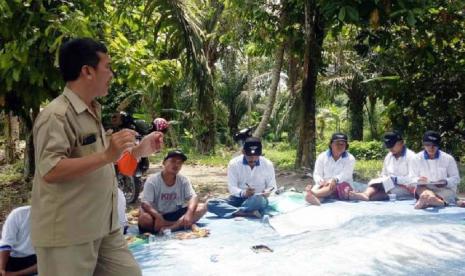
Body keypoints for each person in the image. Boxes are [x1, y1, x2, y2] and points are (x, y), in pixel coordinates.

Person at [31, 38, 163, 276]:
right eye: (107, 66)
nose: (111, 74)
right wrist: (106, 155)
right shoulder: (56, 116)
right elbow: (50, 170)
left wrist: (139, 151)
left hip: (104, 227)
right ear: (87, 71)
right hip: (68, 235)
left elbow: (106, 163)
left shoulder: (92, 110)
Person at [138, 150, 207, 233]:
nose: (176, 165)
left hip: (175, 214)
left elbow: (193, 197)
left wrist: (189, 213)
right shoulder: (152, 180)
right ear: (164, 163)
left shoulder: (183, 180)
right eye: (173, 161)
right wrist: (158, 217)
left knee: (202, 207)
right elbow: (145, 203)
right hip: (156, 214)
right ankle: (182, 224)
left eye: (179, 162)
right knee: (144, 219)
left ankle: (172, 227)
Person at [207, 137, 277, 218]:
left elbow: (273, 187)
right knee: (211, 203)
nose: (253, 158)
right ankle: (246, 213)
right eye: (250, 155)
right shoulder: (234, 164)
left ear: (260, 153)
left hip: (257, 199)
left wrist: (267, 191)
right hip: (238, 198)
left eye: (256, 155)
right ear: (243, 152)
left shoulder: (268, 164)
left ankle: (234, 211)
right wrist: (244, 193)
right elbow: (232, 187)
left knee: (259, 200)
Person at [349, 131, 416, 201]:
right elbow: (384, 174)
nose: (390, 149)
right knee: (377, 183)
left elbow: (414, 179)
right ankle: (365, 194)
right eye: (388, 146)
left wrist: (395, 179)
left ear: (401, 143)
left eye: (392, 145)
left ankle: (367, 197)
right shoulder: (389, 156)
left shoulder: (412, 157)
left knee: (377, 196)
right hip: (389, 184)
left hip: (406, 188)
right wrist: (384, 179)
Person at [410, 131, 460, 209]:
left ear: (438, 145)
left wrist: (446, 182)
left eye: (434, 145)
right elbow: (411, 179)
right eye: (428, 145)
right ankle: (435, 201)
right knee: (422, 189)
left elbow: (456, 178)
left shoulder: (448, 158)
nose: (431, 148)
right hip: (424, 189)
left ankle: (428, 201)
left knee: (443, 194)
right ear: (423, 145)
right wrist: (418, 180)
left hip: (444, 190)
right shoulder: (415, 159)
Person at [305, 133, 356, 205]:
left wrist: (334, 180)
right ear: (331, 144)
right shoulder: (322, 156)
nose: (340, 146)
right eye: (337, 143)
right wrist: (321, 181)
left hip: (343, 185)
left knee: (332, 186)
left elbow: (346, 174)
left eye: (342, 144)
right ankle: (317, 200)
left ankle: (313, 193)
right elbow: (317, 174)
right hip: (324, 185)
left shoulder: (350, 158)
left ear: (346, 146)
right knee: (324, 188)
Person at [0, 206, 37, 276]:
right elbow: (6, 243)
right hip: (10, 256)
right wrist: (1, 269)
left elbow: (48, 260)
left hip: (35, 262)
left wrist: (15, 274)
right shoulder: (19, 213)